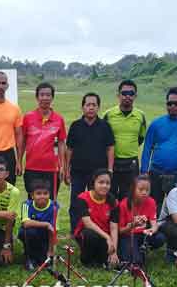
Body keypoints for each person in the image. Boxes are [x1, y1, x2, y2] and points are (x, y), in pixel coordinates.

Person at [141, 87, 177, 216]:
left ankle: (174, 233)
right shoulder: (156, 124)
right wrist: (144, 171)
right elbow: (147, 148)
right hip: (156, 173)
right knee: (153, 206)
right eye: (169, 103)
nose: (172, 106)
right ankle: (152, 234)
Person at [65, 92, 115, 234]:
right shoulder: (76, 126)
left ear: (98, 107)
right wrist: (67, 169)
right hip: (78, 171)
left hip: (98, 173)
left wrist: (110, 169)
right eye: (88, 105)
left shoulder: (105, 126)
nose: (91, 108)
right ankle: (75, 230)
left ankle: (98, 229)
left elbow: (110, 148)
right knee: (76, 202)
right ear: (83, 107)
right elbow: (69, 149)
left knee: (99, 203)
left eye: (94, 105)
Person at [19, 82, 66, 198]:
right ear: (37, 97)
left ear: (52, 97)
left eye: (48, 95)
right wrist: (19, 161)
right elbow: (23, 141)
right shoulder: (28, 117)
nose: (45, 98)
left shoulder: (59, 119)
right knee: (33, 201)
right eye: (42, 95)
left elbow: (61, 143)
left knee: (50, 202)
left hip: (52, 169)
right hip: (32, 168)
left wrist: (63, 166)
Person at [103, 79, 147, 200]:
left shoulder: (140, 115)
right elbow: (103, 137)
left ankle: (126, 220)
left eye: (131, 93)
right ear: (118, 95)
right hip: (112, 162)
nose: (127, 96)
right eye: (124, 93)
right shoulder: (108, 114)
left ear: (135, 96)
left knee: (128, 197)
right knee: (109, 196)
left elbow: (141, 138)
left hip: (131, 163)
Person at [73, 169, 119, 268]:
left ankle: (101, 259)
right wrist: (108, 237)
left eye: (107, 183)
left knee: (103, 260)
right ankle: (86, 260)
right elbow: (87, 223)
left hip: (105, 236)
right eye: (101, 182)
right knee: (90, 235)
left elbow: (114, 227)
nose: (104, 186)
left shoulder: (112, 201)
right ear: (93, 183)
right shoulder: (83, 198)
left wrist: (114, 251)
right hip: (88, 233)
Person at [117, 175, 165, 264]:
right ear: (133, 190)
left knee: (160, 238)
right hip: (128, 235)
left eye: (147, 190)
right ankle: (130, 252)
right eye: (141, 189)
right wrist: (133, 225)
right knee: (137, 262)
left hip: (143, 234)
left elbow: (154, 223)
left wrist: (152, 230)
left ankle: (141, 249)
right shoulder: (124, 204)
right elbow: (120, 231)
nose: (144, 193)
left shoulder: (151, 202)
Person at [18, 179, 59, 271]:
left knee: (44, 260)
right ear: (32, 195)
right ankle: (29, 258)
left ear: (50, 194)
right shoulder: (26, 205)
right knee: (27, 232)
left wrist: (51, 250)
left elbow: (53, 230)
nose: (42, 196)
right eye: (38, 193)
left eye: (45, 193)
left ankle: (43, 256)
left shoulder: (54, 207)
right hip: (31, 234)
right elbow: (25, 223)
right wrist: (46, 224)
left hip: (46, 235)